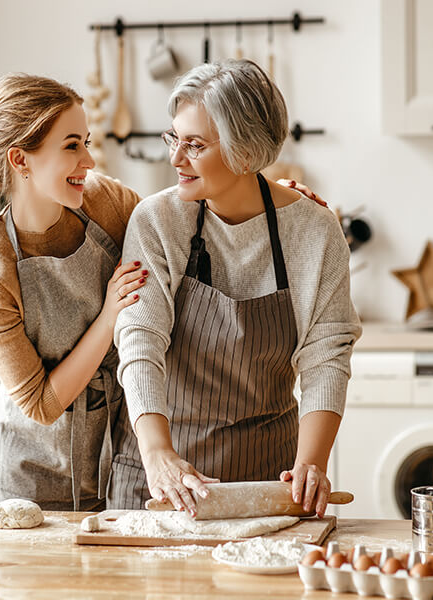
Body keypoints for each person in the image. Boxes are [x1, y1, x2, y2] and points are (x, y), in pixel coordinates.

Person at [108, 59, 361, 518]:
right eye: (174, 139)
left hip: (267, 481)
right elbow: (139, 337)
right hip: (162, 482)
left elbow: (327, 353)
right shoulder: (158, 221)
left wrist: (311, 464)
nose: (175, 158)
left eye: (194, 145)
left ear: (244, 153)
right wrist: (157, 454)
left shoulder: (314, 231)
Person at [0, 73, 145, 511]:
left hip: (122, 457)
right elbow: (42, 403)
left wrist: (276, 202)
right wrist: (109, 317)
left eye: (86, 142)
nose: (88, 159)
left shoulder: (107, 203)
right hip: (34, 480)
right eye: (72, 145)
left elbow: (183, 228)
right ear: (20, 160)